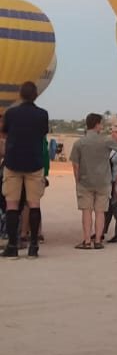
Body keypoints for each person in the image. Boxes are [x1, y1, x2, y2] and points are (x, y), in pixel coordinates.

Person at [1, 81, 49, 258]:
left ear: (20, 94)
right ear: (35, 95)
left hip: (13, 162)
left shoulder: (11, 113)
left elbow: (5, 132)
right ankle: (33, 246)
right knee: (34, 203)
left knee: (12, 204)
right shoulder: (42, 114)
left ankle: (12, 246)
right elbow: (43, 133)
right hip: (34, 163)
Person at [70, 113, 116, 250]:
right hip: (103, 181)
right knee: (100, 212)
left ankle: (86, 241)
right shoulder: (106, 141)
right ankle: (98, 240)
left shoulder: (79, 143)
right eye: (101, 123)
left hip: (85, 181)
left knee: (86, 211)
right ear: (97, 125)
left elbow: (75, 164)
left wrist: (77, 179)